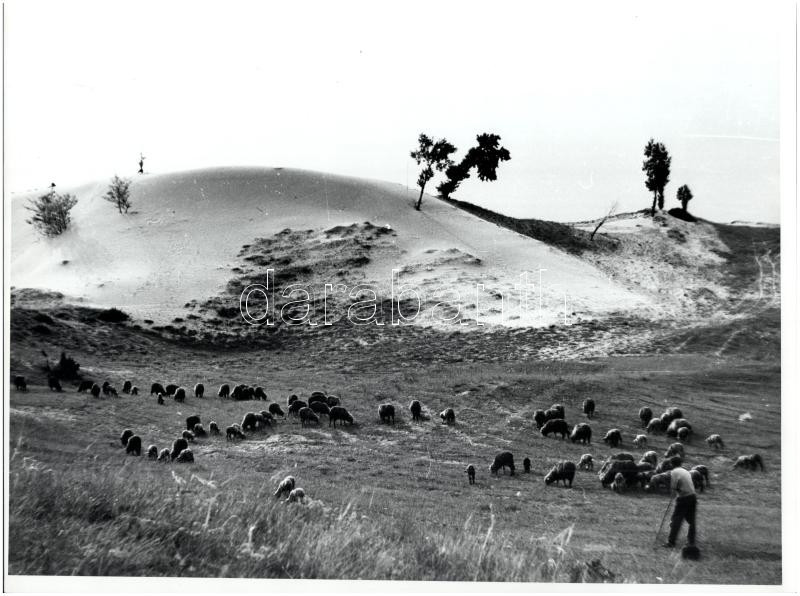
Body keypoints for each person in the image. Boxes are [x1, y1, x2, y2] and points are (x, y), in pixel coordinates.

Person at [663, 457, 697, 548]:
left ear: (672, 464)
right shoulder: (685, 471)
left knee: (676, 519)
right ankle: (691, 542)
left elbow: (673, 488)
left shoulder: (674, 472)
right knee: (691, 521)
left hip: (684, 498)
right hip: (693, 496)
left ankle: (671, 542)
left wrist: (673, 496)